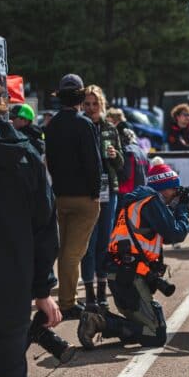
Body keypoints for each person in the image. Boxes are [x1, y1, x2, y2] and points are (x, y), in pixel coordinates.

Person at [0, 63, 60, 377]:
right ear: (3, 98)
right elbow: (46, 227)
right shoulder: (27, 153)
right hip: (10, 292)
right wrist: (41, 289)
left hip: (11, 289)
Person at [77, 162, 189, 349]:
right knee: (155, 336)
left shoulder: (140, 200)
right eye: (174, 189)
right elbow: (175, 234)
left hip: (125, 274)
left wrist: (175, 207)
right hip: (128, 277)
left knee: (154, 328)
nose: (176, 194)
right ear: (163, 187)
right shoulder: (150, 201)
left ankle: (103, 321)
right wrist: (183, 209)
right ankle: (98, 320)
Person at [45, 74, 102, 320]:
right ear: (80, 97)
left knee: (65, 251)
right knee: (73, 253)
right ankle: (67, 303)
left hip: (60, 196)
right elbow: (94, 162)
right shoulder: (84, 124)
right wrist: (95, 193)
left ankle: (67, 299)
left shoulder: (53, 125)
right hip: (83, 198)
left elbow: (51, 162)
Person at [79, 85, 125, 312]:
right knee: (88, 243)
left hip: (109, 191)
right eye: (86, 104)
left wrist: (115, 156)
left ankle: (101, 293)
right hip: (86, 193)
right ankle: (88, 295)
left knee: (104, 244)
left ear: (102, 105)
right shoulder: (80, 127)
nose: (90, 108)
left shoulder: (110, 128)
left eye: (94, 104)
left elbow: (121, 164)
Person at [117, 127, 149, 196]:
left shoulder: (127, 151)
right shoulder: (143, 152)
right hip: (142, 191)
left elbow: (126, 175)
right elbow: (148, 172)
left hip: (128, 193)